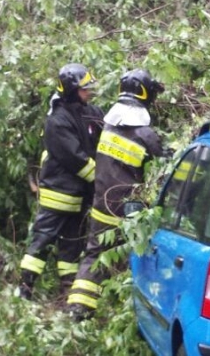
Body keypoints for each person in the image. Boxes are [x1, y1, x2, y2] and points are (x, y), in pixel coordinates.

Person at [65, 68, 168, 320]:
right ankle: (125, 309)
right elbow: (163, 165)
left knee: (94, 255)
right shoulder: (146, 134)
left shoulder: (109, 126)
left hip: (101, 203)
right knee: (135, 258)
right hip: (128, 211)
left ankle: (77, 308)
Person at [19, 63, 104, 300]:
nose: (89, 92)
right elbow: (75, 158)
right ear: (71, 90)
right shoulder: (56, 121)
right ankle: (24, 292)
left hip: (79, 200)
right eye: (84, 89)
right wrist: (102, 180)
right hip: (58, 195)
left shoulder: (90, 112)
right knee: (41, 243)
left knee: (71, 249)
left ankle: (65, 292)